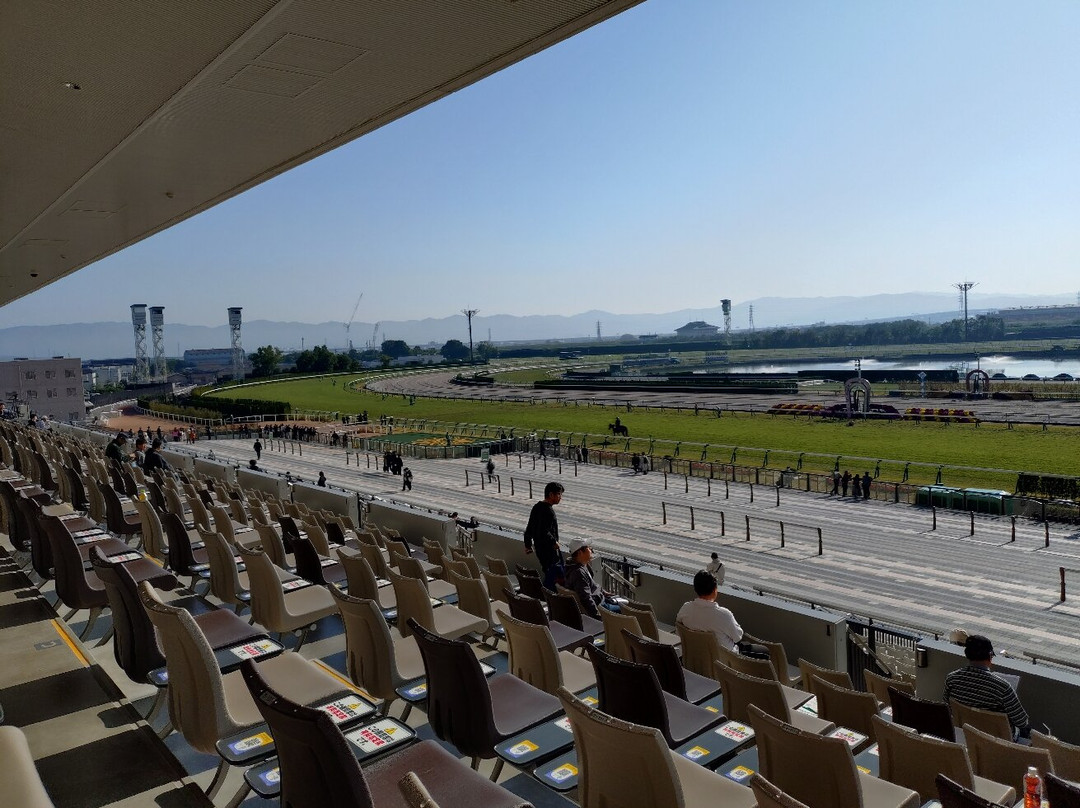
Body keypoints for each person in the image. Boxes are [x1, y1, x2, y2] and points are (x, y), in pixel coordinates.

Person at [943, 635, 1029, 739]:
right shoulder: (1003, 687)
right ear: (989, 655)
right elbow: (1022, 721)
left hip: (966, 734)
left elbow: (947, 706)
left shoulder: (952, 679)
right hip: (997, 740)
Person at [676, 570, 744, 651]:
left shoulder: (685, 609)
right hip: (723, 662)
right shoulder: (724, 615)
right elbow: (738, 637)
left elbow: (678, 630)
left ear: (695, 589)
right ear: (714, 590)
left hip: (693, 658)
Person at [564, 539, 614, 619]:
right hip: (601, 607)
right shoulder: (579, 573)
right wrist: (598, 617)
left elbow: (591, 586)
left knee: (623, 601)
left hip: (602, 599)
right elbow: (586, 598)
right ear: (580, 553)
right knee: (627, 609)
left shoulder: (580, 565)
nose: (591, 550)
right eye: (588, 548)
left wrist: (603, 592)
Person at [524, 481, 564, 576]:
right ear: (551, 494)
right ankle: (549, 590)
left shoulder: (536, 507)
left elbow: (530, 527)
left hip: (539, 549)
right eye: (558, 494)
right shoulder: (548, 511)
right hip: (548, 551)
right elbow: (544, 531)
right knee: (553, 575)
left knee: (548, 572)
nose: (560, 497)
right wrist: (554, 542)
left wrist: (528, 544)